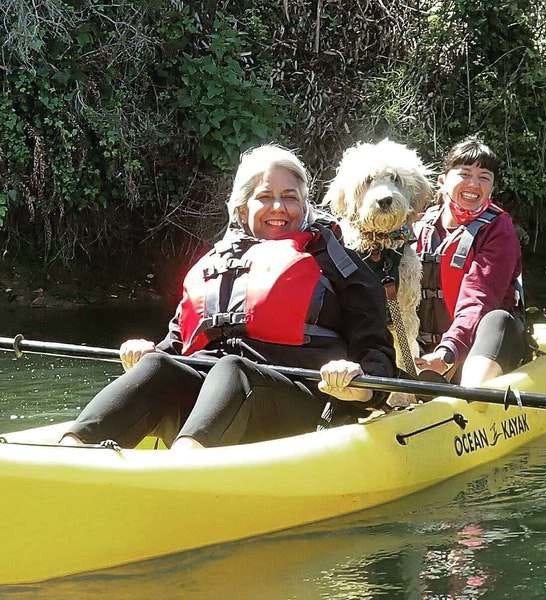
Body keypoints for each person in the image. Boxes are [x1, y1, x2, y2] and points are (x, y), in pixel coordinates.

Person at [60, 145, 396, 450]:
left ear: (304, 205)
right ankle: (70, 450)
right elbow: (177, 345)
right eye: (265, 197)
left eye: (290, 197)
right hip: (212, 402)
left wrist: (362, 385)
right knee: (157, 367)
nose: (279, 207)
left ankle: (183, 466)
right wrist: (147, 353)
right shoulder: (217, 264)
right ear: (242, 205)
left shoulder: (338, 263)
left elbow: (376, 349)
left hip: (303, 401)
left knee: (233, 369)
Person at [413, 137, 527, 387]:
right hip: (425, 343)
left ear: (492, 188)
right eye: (464, 174)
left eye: (484, 177)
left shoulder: (499, 228)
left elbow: (480, 297)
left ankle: (471, 394)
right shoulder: (418, 225)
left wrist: (448, 351)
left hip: (478, 340)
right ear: (442, 181)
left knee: (498, 319)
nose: (474, 184)